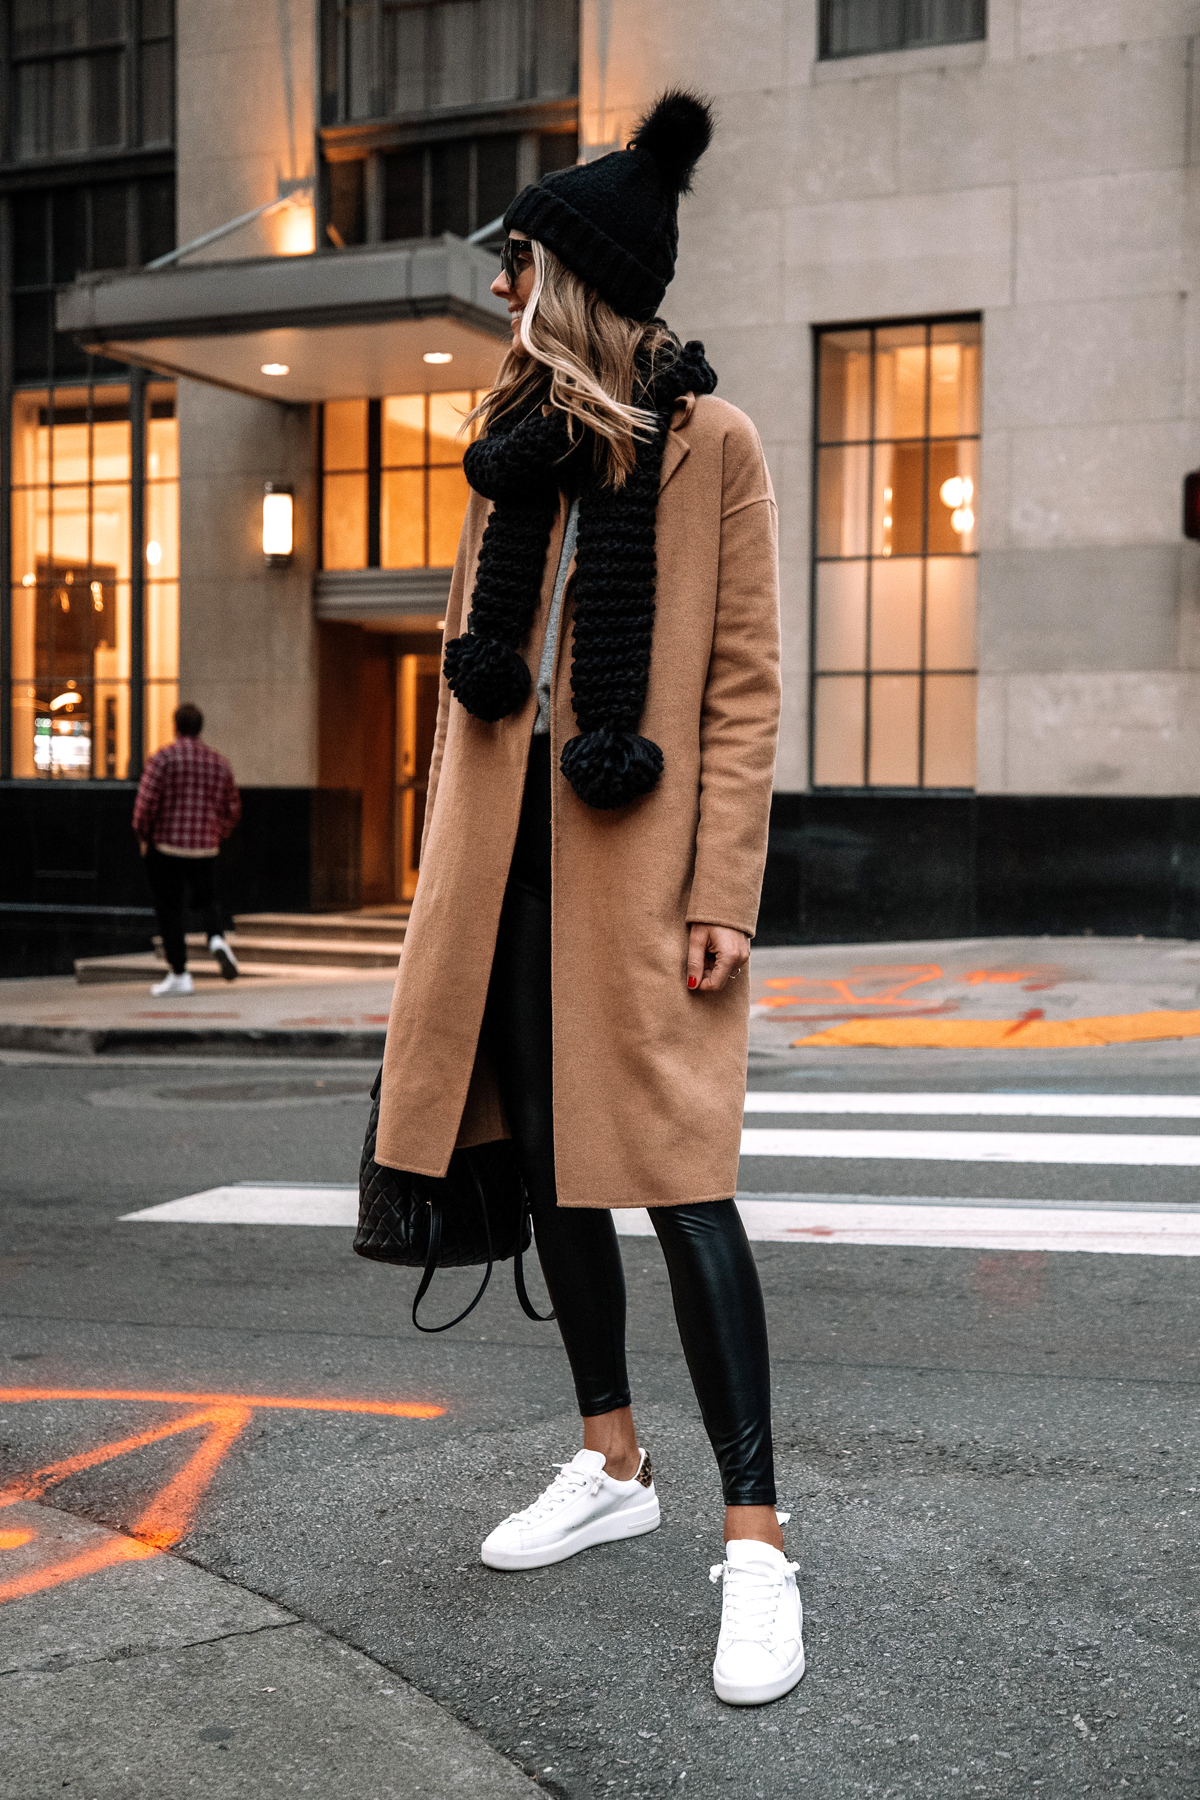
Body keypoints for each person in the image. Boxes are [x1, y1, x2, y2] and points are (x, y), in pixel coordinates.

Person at [375, 92, 800, 1707]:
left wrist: (728, 893)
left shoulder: (716, 446)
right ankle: (611, 1467)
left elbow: (748, 687)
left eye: (521, 263)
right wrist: (440, 887)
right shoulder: (508, 458)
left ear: (580, 280)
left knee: (683, 1187)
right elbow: (461, 688)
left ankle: (756, 1540)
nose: (502, 288)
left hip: (646, 872)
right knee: (556, 1179)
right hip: (505, 879)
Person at [132, 702, 241, 996]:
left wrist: (144, 836)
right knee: (207, 900)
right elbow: (232, 807)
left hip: (167, 846)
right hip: (205, 847)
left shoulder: (164, 759)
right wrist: (218, 833)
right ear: (200, 727)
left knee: (170, 910)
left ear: (175, 726)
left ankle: (180, 973)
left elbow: (145, 804)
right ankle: (216, 938)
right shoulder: (218, 762)